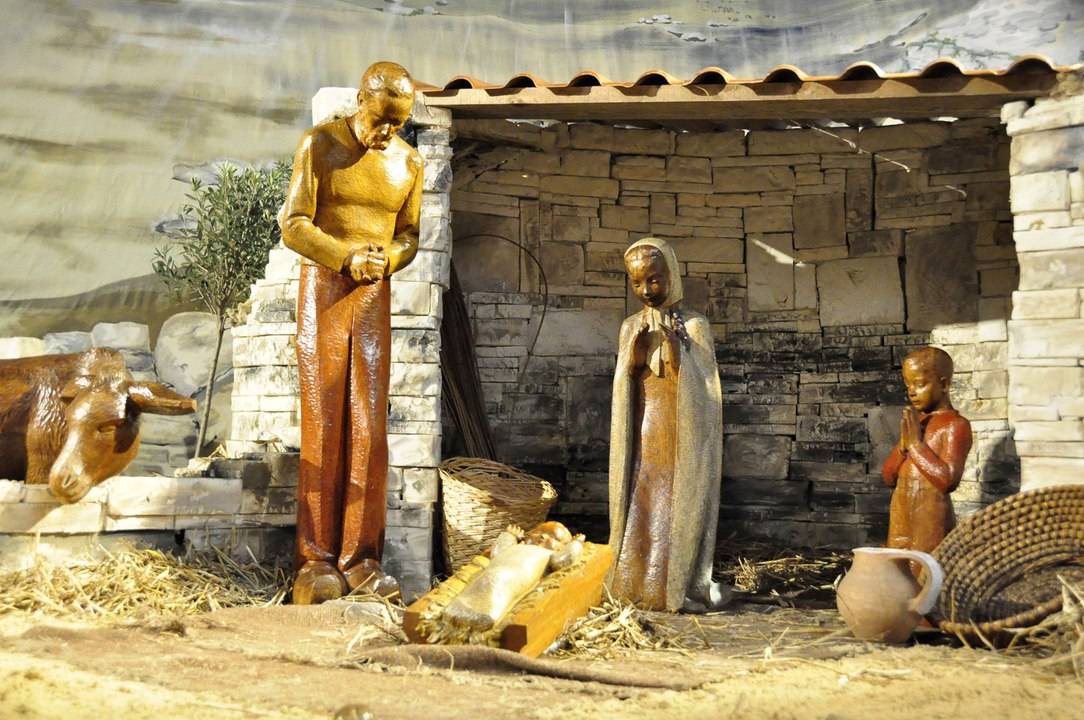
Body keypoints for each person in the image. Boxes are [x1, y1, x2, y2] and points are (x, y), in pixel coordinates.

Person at [280, 61, 423, 605]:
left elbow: (410, 234)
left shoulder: (409, 162)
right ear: (361, 100)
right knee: (323, 421)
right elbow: (295, 223)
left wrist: (389, 257)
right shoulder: (318, 145)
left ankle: (361, 560)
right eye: (381, 120)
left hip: (372, 296)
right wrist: (343, 255)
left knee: (369, 428)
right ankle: (314, 561)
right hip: (324, 289)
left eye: (398, 123)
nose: (387, 133)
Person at [608, 238, 730, 613]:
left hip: (682, 432)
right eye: (637, 282)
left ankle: (676, 585)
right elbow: (623, 383)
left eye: (655, 281)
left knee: (677, 501)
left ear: (671, 276)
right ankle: (633, 583)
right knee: (641, 498)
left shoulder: (694, 324)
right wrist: (636, 354)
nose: (646, 291)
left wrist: (679, 353)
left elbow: (706, 388)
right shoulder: (631, 326)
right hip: (644, 427)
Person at [881, 347, 973, 562]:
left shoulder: (955, 425)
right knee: (897, 569)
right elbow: (887, 477)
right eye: (908, 385)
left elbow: (948, 480)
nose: (911, 391)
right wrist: (902, 448)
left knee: (926, 568)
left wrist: (915, 446)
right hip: (901, 510)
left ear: (943, 385)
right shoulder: (917, 423)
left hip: (930, 514)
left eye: (920, 384)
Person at [440, 521, 585, 633]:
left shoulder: (549, 555)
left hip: (516, 575)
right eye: (539, 532)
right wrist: (509, 535)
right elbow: (497, 552)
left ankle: (487, 615)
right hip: (497, 568)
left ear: (562, 547)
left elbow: (563, 561)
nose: (543, 536)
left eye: (554, 537)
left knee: (500, 581)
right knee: (484, 580)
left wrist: (576, 545)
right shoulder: (516, 547)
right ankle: (457, 609)